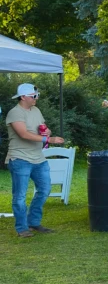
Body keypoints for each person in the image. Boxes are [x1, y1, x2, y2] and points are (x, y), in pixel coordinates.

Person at [6, 83, 64, 237]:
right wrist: (49, 138)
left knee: (45, 190)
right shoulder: (15, 113)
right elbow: (23, 134)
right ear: (23, 97)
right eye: (33, 96)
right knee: (20, 196)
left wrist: (46, 131)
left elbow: (42, 127)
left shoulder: (36, 110)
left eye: (36, 96)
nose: (36, 98)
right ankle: (22, 228)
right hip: (20, 158)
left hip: (38, 158)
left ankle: (33, 222)